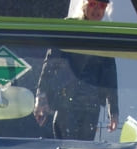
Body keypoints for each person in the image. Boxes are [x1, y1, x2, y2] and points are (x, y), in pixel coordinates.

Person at [34, 0, 119, 140]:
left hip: (91, 107)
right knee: (66, 147)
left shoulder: (105, 35)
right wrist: (41, 99)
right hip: (66, 103)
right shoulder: (68, 27)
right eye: (93, 4)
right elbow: (49, 66)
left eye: (102, 6)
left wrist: (113, 111)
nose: (97, 9)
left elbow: (110, 76)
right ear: (85, 5)